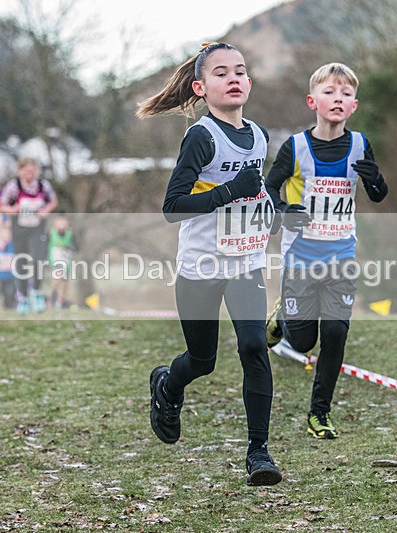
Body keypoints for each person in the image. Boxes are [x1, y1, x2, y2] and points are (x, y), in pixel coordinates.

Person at [137, 42, 282, 486]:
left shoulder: (259, 136)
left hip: (245, 263)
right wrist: (229, 191)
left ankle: (259, 453)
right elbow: (173, 207)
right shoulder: (201, 136)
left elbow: (255, 193)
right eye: (221, 73)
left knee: (254, 347)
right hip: (200, 265)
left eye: (240, 70)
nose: (234, 78)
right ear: (201, 87)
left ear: (250, 83)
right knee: (202, 360)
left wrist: (273, 214)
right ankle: (167, 384)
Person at [264, 62, 389, 440]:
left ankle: (319, 413)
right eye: (330, 92)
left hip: (341, 257)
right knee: (302, 342)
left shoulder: (360, 144)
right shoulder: (295, 147)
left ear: (354, 105)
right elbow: (268, 191)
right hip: (300, 257)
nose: (337, 99)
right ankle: (282, 319)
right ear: (312, 101)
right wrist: (285, 211)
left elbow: (379, 194)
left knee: (335, 332)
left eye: (346, 94)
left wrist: (375, 180)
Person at [0, 158, 58, 314]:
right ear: (20, 171)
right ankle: (23, 297)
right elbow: (1, 204)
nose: (30, 174)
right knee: (22, 262)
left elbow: (53, 201)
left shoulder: (43, 185)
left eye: (33, 171)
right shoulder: (14, 186)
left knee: (39, 259)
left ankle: (37, 292)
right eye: (27, 170)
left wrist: (46, 210)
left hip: (37, 228)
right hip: (19, 228)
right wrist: (12, 210)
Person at [48, 214, 77, 310]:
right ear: (55, 223)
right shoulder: (50, 233)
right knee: (56, 281)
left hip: (66, 263)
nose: (62, 224)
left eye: (64, 222)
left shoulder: (70, 234)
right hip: (54, 262)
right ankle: (52, 300)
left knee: (64, 284)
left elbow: (76, 247)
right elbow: (44, 245)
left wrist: (70, 248)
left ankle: (59, 303)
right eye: (59, 222)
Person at [0, 225, 17, 310]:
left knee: (10, 293)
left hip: (11, 275)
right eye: (4, 235)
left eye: (8, 235)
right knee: (0, 292)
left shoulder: (13, 246)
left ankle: (9, 306)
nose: (6, 237)